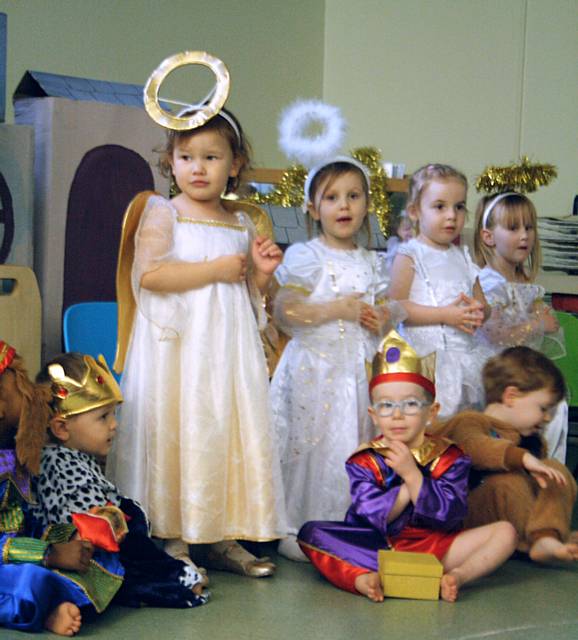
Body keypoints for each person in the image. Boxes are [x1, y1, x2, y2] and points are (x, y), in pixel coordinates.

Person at [108, 104, 286, 577]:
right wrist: (214, 270)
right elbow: (149, 276)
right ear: (171, 160)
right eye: (187, 157)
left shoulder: (242, 223)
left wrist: (262, 275)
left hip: (226, 352)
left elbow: (251, 297)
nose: (198, 168)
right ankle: (175, 537)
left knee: (223, 430)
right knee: (181, 430)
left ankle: (221, 535)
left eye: (211, 157)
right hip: (178, 353)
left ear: (236, 164)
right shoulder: (162, 213)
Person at [298, 331, 517, 602]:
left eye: (411, 404)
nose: (397, 415)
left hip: (437, 548)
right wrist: (403, 487)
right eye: (386, 405)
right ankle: (362, 580)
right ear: (374, 416)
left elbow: (451, 513)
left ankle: (457, 576)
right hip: (378, 548)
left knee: (505, 532)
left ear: (432, 412)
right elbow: (367, 514)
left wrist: (413, 475)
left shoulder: (450, 456)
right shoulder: (365, 459)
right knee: (311, 532)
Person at [270, 157, 406, 561]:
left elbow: (386, 318)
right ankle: (298, 524)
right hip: (316, 368)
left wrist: (379, 317)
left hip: (357, 367)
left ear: (367, 204)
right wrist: (337, 309)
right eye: (332, 198)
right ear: (314, 208)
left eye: (353, 196)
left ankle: (347, 525)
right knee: (312, 442)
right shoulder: (306, 255)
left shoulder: (371, 261)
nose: (343, 206)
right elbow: (286, 311)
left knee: (353, 439)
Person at [33, 352, 208, 610]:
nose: (114, 425)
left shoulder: (73, 457)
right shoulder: (62, 465)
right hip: (89, 558)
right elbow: (102, 535)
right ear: (61, 428)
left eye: (113, 414)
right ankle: (177, 579)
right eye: (103, 417)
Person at [0, 340, 110, 636]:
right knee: (28, 580)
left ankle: (53, 595)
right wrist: (48, 553)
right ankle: (44, 612)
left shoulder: (14, 453)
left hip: (20, 546)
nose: (35, 398)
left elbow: (24, 518)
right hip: (10, 558)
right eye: (18, 392)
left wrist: (66, 536)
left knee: (99, 560)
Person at [441, 346, 577, 565]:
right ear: (511, 396)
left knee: (555, 470)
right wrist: (520, 457)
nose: (546, 419)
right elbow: (475, 447)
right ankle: (535, 540)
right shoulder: (470, 421)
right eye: (543, 408)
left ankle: (546, 537)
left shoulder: (531, 439)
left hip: (514, 517)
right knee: (509, 481)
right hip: (471, 514)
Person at [388, 163, 490, 418]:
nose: (451, 216)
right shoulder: (410, 254)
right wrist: (445, 315)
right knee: (427, 426)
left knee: (462, 426)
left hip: (464, 358)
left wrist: (479, 311)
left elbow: (483, 304)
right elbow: (396, 308)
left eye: (459, 207)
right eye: (439, 206)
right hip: (425, 359)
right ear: (415, 211)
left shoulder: (464, 257)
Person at [473, 191, 568, 462]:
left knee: (553, 403)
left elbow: (542, 316)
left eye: (529, 227)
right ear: (488, 237)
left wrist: (539, 317)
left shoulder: (523, 281)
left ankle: (546, 466)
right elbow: (495, 332)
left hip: (521, 368)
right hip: (498, 370)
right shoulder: (489, 283)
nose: (525, 235)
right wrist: (537, 324)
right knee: (550, 406)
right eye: (513, 228)